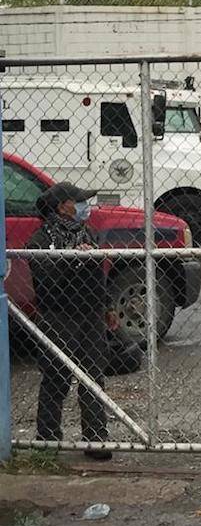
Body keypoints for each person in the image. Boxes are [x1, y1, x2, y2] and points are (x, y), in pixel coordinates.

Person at [27, 182, 117, 460]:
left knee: (93, 377)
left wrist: (107, 306)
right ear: (61, 206)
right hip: (59, 316)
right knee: (56, 378)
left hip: (90, 315)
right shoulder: (41, 241)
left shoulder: (87, 233)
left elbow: (98, 278)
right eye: (77, 201)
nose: (83, 207)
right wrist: (73, 261)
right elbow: (47, 282)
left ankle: (96, 438)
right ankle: (48, 440)